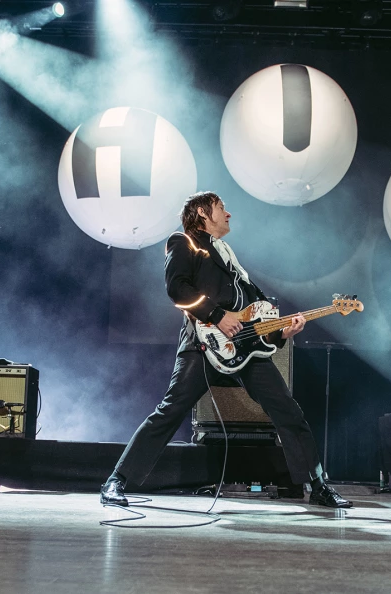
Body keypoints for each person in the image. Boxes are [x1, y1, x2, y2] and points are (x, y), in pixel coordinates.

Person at [100, 191, 351, 509]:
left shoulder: (232, 261)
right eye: (222, 208)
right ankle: (116, 481)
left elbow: (258, 320)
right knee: (170, 411)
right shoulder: (184, 242)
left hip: (246, 351)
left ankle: (317, 485)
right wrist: (217, 315)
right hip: (203, 343)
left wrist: (281, 333)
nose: (228, 214)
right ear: (204, 213)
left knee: (288, 410)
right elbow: (177, 288)